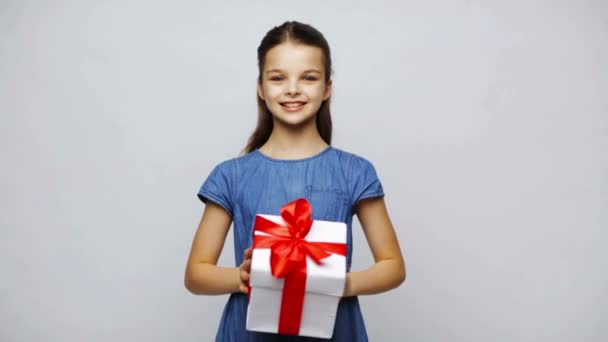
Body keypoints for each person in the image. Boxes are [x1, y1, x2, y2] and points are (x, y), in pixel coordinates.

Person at [184, 20, 406, 341]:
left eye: (309, 78)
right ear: (261, 87)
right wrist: (242, 276)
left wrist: (340, 283)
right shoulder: (230, 175)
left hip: (334, 330)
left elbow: (393, 266)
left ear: (327, 88)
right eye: (278, 78)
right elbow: (195, 274)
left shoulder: (355, 172)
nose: (292, 89)